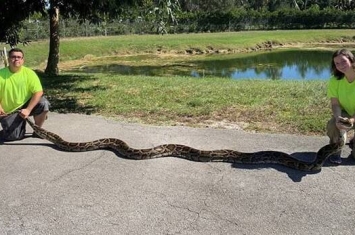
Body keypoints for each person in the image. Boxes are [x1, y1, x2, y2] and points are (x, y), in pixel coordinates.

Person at [0, 48, 50, 138]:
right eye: (13, 57)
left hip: (26, 104)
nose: (16, 59)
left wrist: (28, 110)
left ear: (23, 60)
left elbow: (38, 92)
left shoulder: (29, 73)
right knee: (14, 136)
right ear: (8, 59)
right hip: (10, 111)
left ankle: (38, 130)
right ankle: (13, 125)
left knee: (43, 103)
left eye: (19, 57)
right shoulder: (1, 74)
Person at [326, 48, 355, 164]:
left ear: (352, 60)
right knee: (333, 124)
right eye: (337, 63)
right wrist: (338, 118)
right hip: (346, 113)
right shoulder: (335, 80)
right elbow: (335, 104)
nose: (340, 65)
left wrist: (351, 120)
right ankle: (335, 151)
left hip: (352, 117)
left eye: (343, 61)